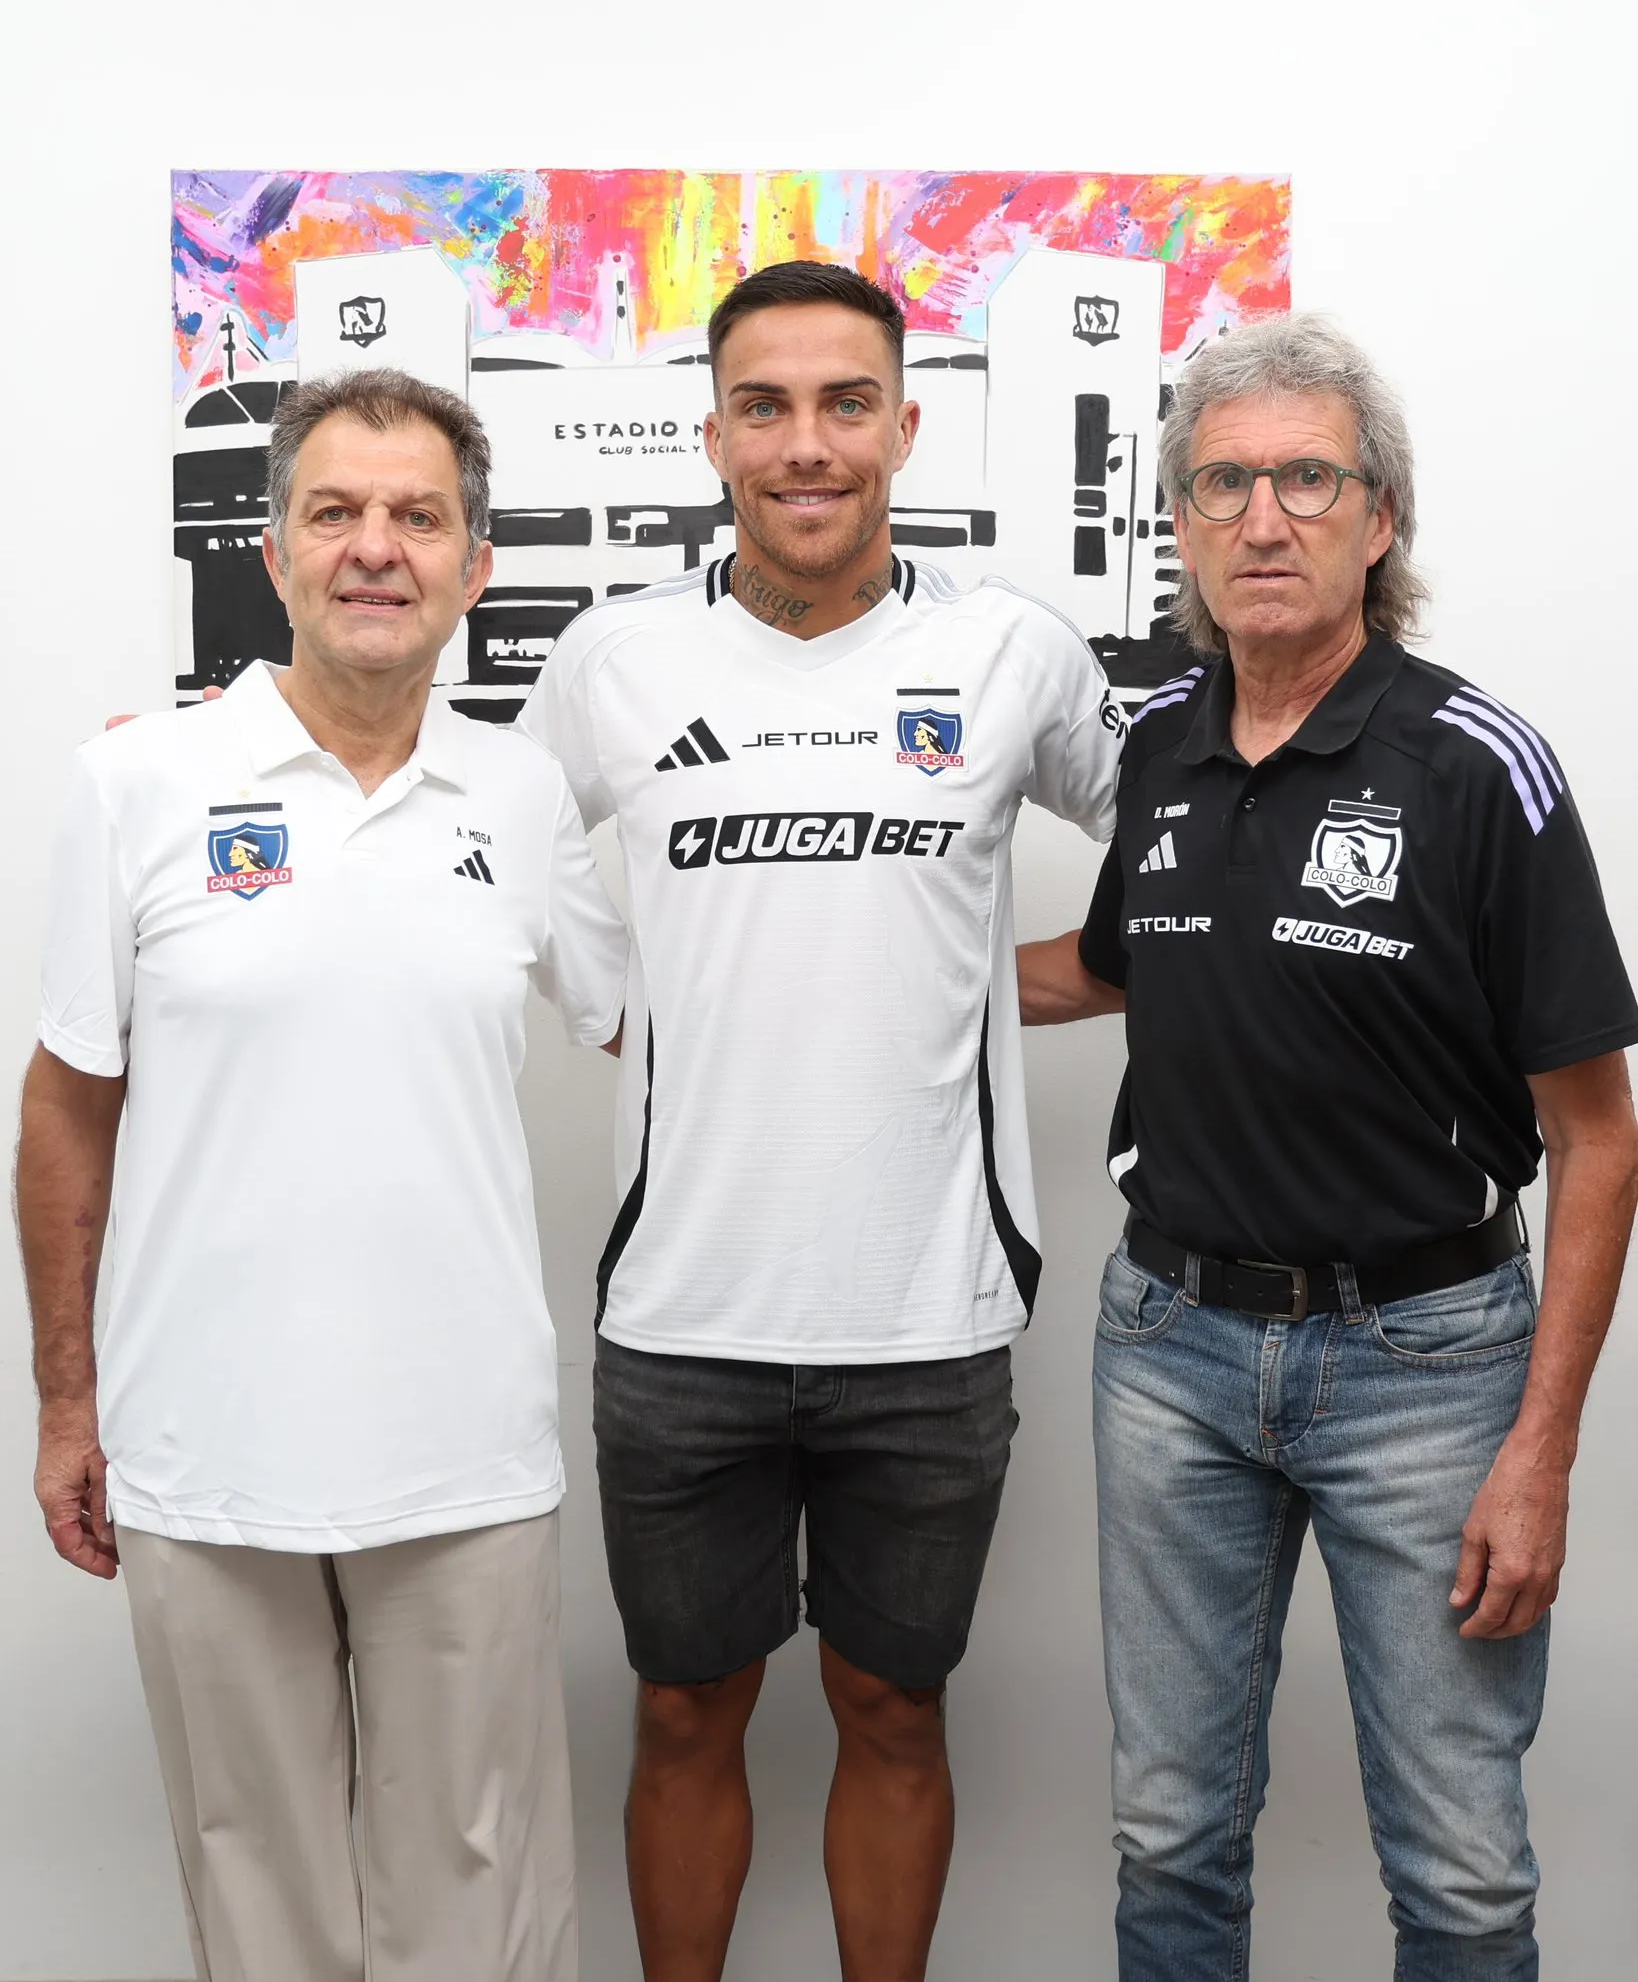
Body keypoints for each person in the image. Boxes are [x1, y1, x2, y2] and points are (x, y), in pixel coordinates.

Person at [515, 260, 1127, 1981]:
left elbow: (1198, 845)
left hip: (926, 1317)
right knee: (685, 1708)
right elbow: (480, 835)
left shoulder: (1007, 651)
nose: (807, 445)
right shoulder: (613, 657)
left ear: (904, 428)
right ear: (708, 434)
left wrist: (964, 980)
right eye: (766, 407)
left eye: (844, 404)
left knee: (892, 1706)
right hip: (681, 1313)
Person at [1019, 314, 1638, 1980]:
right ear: (1181, 527)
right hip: (1167, 1353)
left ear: (1379, 518)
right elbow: (1108, 965)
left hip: (1425, 1368)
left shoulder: (1472, 767)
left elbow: (1598, 1137)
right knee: (1167, 1829)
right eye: (1221, 484)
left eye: (1306, 478)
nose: (1262, 518)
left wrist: (1540, 1452)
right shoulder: (1155, 744)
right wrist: (846, 969)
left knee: (1456, 1867)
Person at [16, 368, 628, 1982]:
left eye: (417, 516)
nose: (376, 548)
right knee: (260, 1896)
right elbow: (68, 1109)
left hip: (464, 1457)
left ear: (474, 567)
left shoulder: (524, 794)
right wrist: (68, 1406)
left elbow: (660, 1016)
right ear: (272, 551)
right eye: (334, 513)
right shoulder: (136, 785)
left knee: (478, 1901)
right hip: (206, 1452)